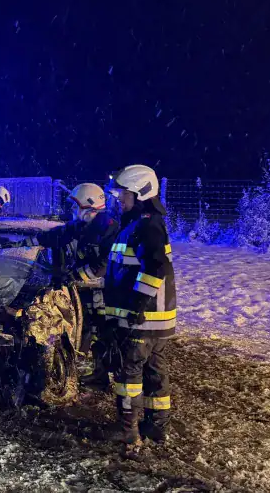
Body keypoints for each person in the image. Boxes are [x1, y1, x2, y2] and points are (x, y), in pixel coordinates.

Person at [103, 165, 176, 446]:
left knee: (129, 373)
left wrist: (136, 304)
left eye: (123, 194)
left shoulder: (147, 225)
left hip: (142, 318)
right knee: (155, 372)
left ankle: (128, 431)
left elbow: (156, 267)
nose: (118, 199)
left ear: (141, 193)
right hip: (155, 319)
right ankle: (157, 426)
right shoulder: (144, 222)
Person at [33, 183, 118, 390]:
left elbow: (104, 265)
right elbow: (59, 235)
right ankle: (98, 374)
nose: (73, 210)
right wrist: (33, 240)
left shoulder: (109, 228)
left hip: (107, 292)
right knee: (90, 330)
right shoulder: (83, 226)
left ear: (89, 207)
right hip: (88, 290)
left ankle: (109, 377)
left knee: (105, 333)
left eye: (76, 206)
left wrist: (75, 275)